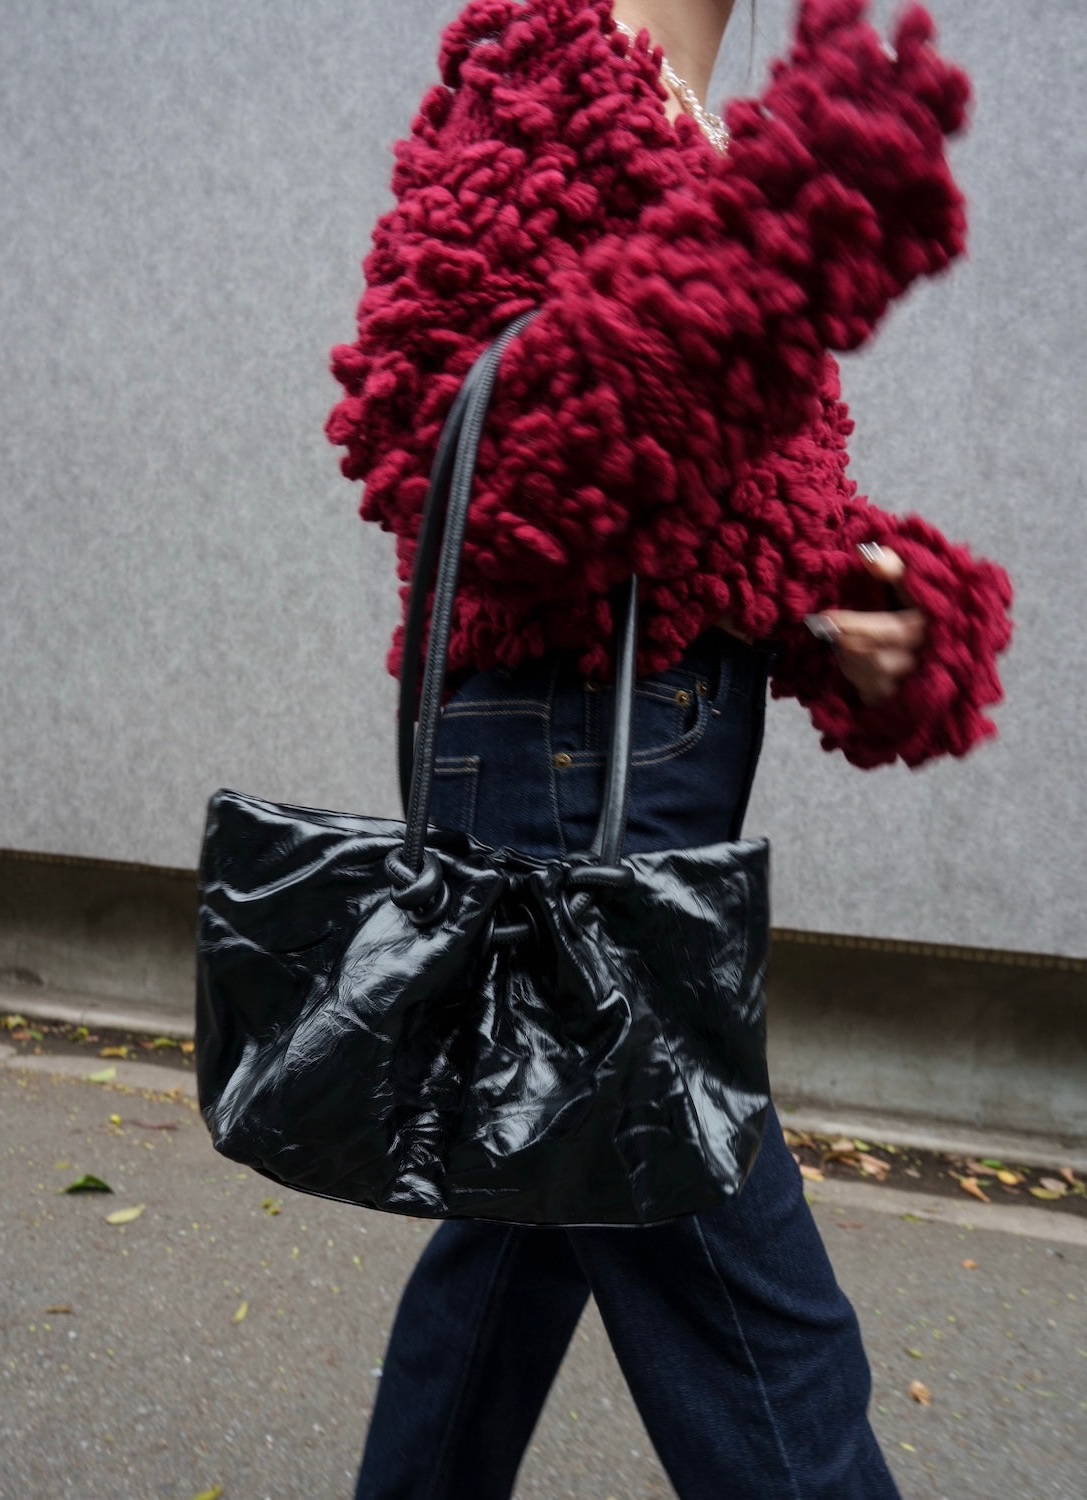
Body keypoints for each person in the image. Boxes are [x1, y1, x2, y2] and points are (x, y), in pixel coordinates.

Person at [327, 1, 1013, 1494]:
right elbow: (447, 442)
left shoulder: (704, 138)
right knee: (765, 1337)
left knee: (509, 1258)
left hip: (655, 767)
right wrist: (778, 249)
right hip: (563, 769)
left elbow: (717, 497)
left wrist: (867, 604)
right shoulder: (545, 67)